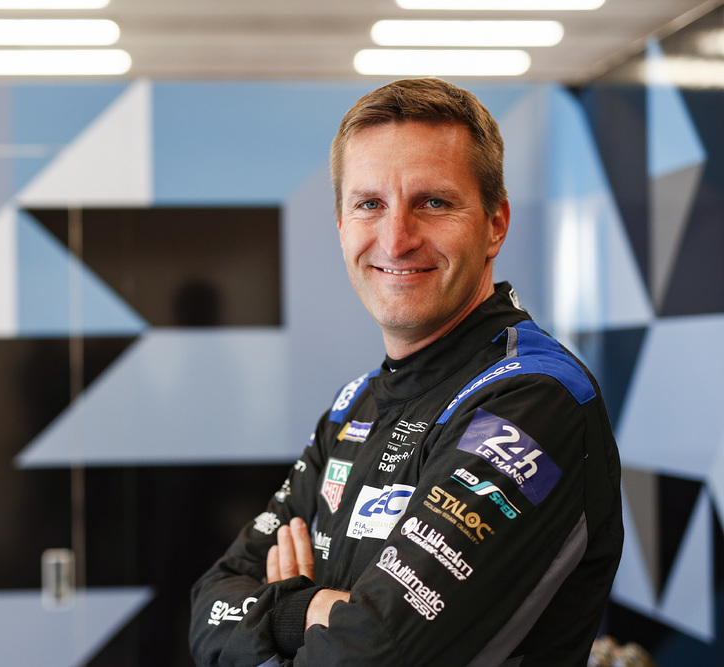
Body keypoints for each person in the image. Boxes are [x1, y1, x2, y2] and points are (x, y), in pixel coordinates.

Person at [189, 78, 623, 666]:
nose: (396, 240)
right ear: (342, 225)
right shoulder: (355, 405)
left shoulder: (535, 399)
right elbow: (210, 604)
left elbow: (372, 653)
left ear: (495, 224)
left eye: (433, 203)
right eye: (370, 204)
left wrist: (280, 612)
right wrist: (304, 612)